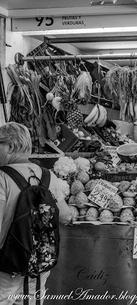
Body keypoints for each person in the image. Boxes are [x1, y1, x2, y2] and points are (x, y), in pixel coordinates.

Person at [0, 122, 73, 305]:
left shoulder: (2, 178)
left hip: (7, 267)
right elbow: (66, 216)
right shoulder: (48, 176)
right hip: (39, 263)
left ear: (11, 146)